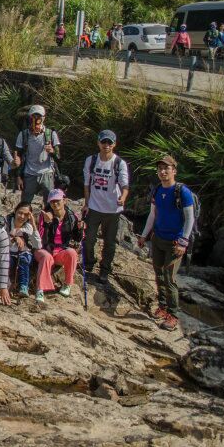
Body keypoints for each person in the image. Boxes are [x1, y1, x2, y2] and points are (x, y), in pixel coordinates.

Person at [138, 155, 194, 332]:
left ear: (174, 171)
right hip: (158, 239)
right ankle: (162, 307)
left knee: (170, 279)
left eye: (166, 168)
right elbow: (153, 214)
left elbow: (189, 218)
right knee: (159, 275)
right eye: (160, 169)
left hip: (174, 242)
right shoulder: (157, 190)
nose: (162, 172)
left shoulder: (182, 191)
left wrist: (183, 242)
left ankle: (173, 314)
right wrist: (144, 235)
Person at [81, 129, 129, 283]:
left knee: (110, 242)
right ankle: (88, 262)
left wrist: (123, 197)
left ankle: (105, 269)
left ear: (114, 145)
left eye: (109, 142)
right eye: (104, 142)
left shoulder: (119, 163)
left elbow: (125, 184)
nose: (106, 145)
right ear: (98, 143)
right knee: (88, 238)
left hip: (112, 210)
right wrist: (86, 203)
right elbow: (87, 184)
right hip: (94, 207)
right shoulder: (91, 160)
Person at [35, 189, 81, 303]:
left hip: (60, 251)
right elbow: (40, 238)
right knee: (47, 257)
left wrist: (80, 229)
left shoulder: (72, 216)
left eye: (57, 201)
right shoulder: (44, 215)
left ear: (64, 200)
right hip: (44, 249)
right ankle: (40, 289)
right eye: (52, 202)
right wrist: (46, 223)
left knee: (72, 253)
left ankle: (67, 284)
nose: (55, 204)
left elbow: (77, 238)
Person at [14, 105, 60, 206]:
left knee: (50, 203)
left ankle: (48, 221)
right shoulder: (23, 135)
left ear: (44, 118)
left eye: (39, 117)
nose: (36, 119)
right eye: (33, 117)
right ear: (30, 118)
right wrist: (18, 176)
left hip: (47, 173)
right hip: (29, 173)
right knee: (25, 203)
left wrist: (52, 151)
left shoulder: (51, 134)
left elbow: (58, 156)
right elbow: (17, 156)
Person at [6, 201, 40, 298]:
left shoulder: (29, 226)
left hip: (24, 252)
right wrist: (14, 238)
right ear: (15, 211)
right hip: (8, 251)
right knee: (7, 262)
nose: (22, 217)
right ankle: (5, 286)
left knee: (24, 259)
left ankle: (23, 286)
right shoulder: (6, 222)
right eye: (20, 213)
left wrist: (34, 225)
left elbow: (38, 245)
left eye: (26, 214)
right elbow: (1, 241)